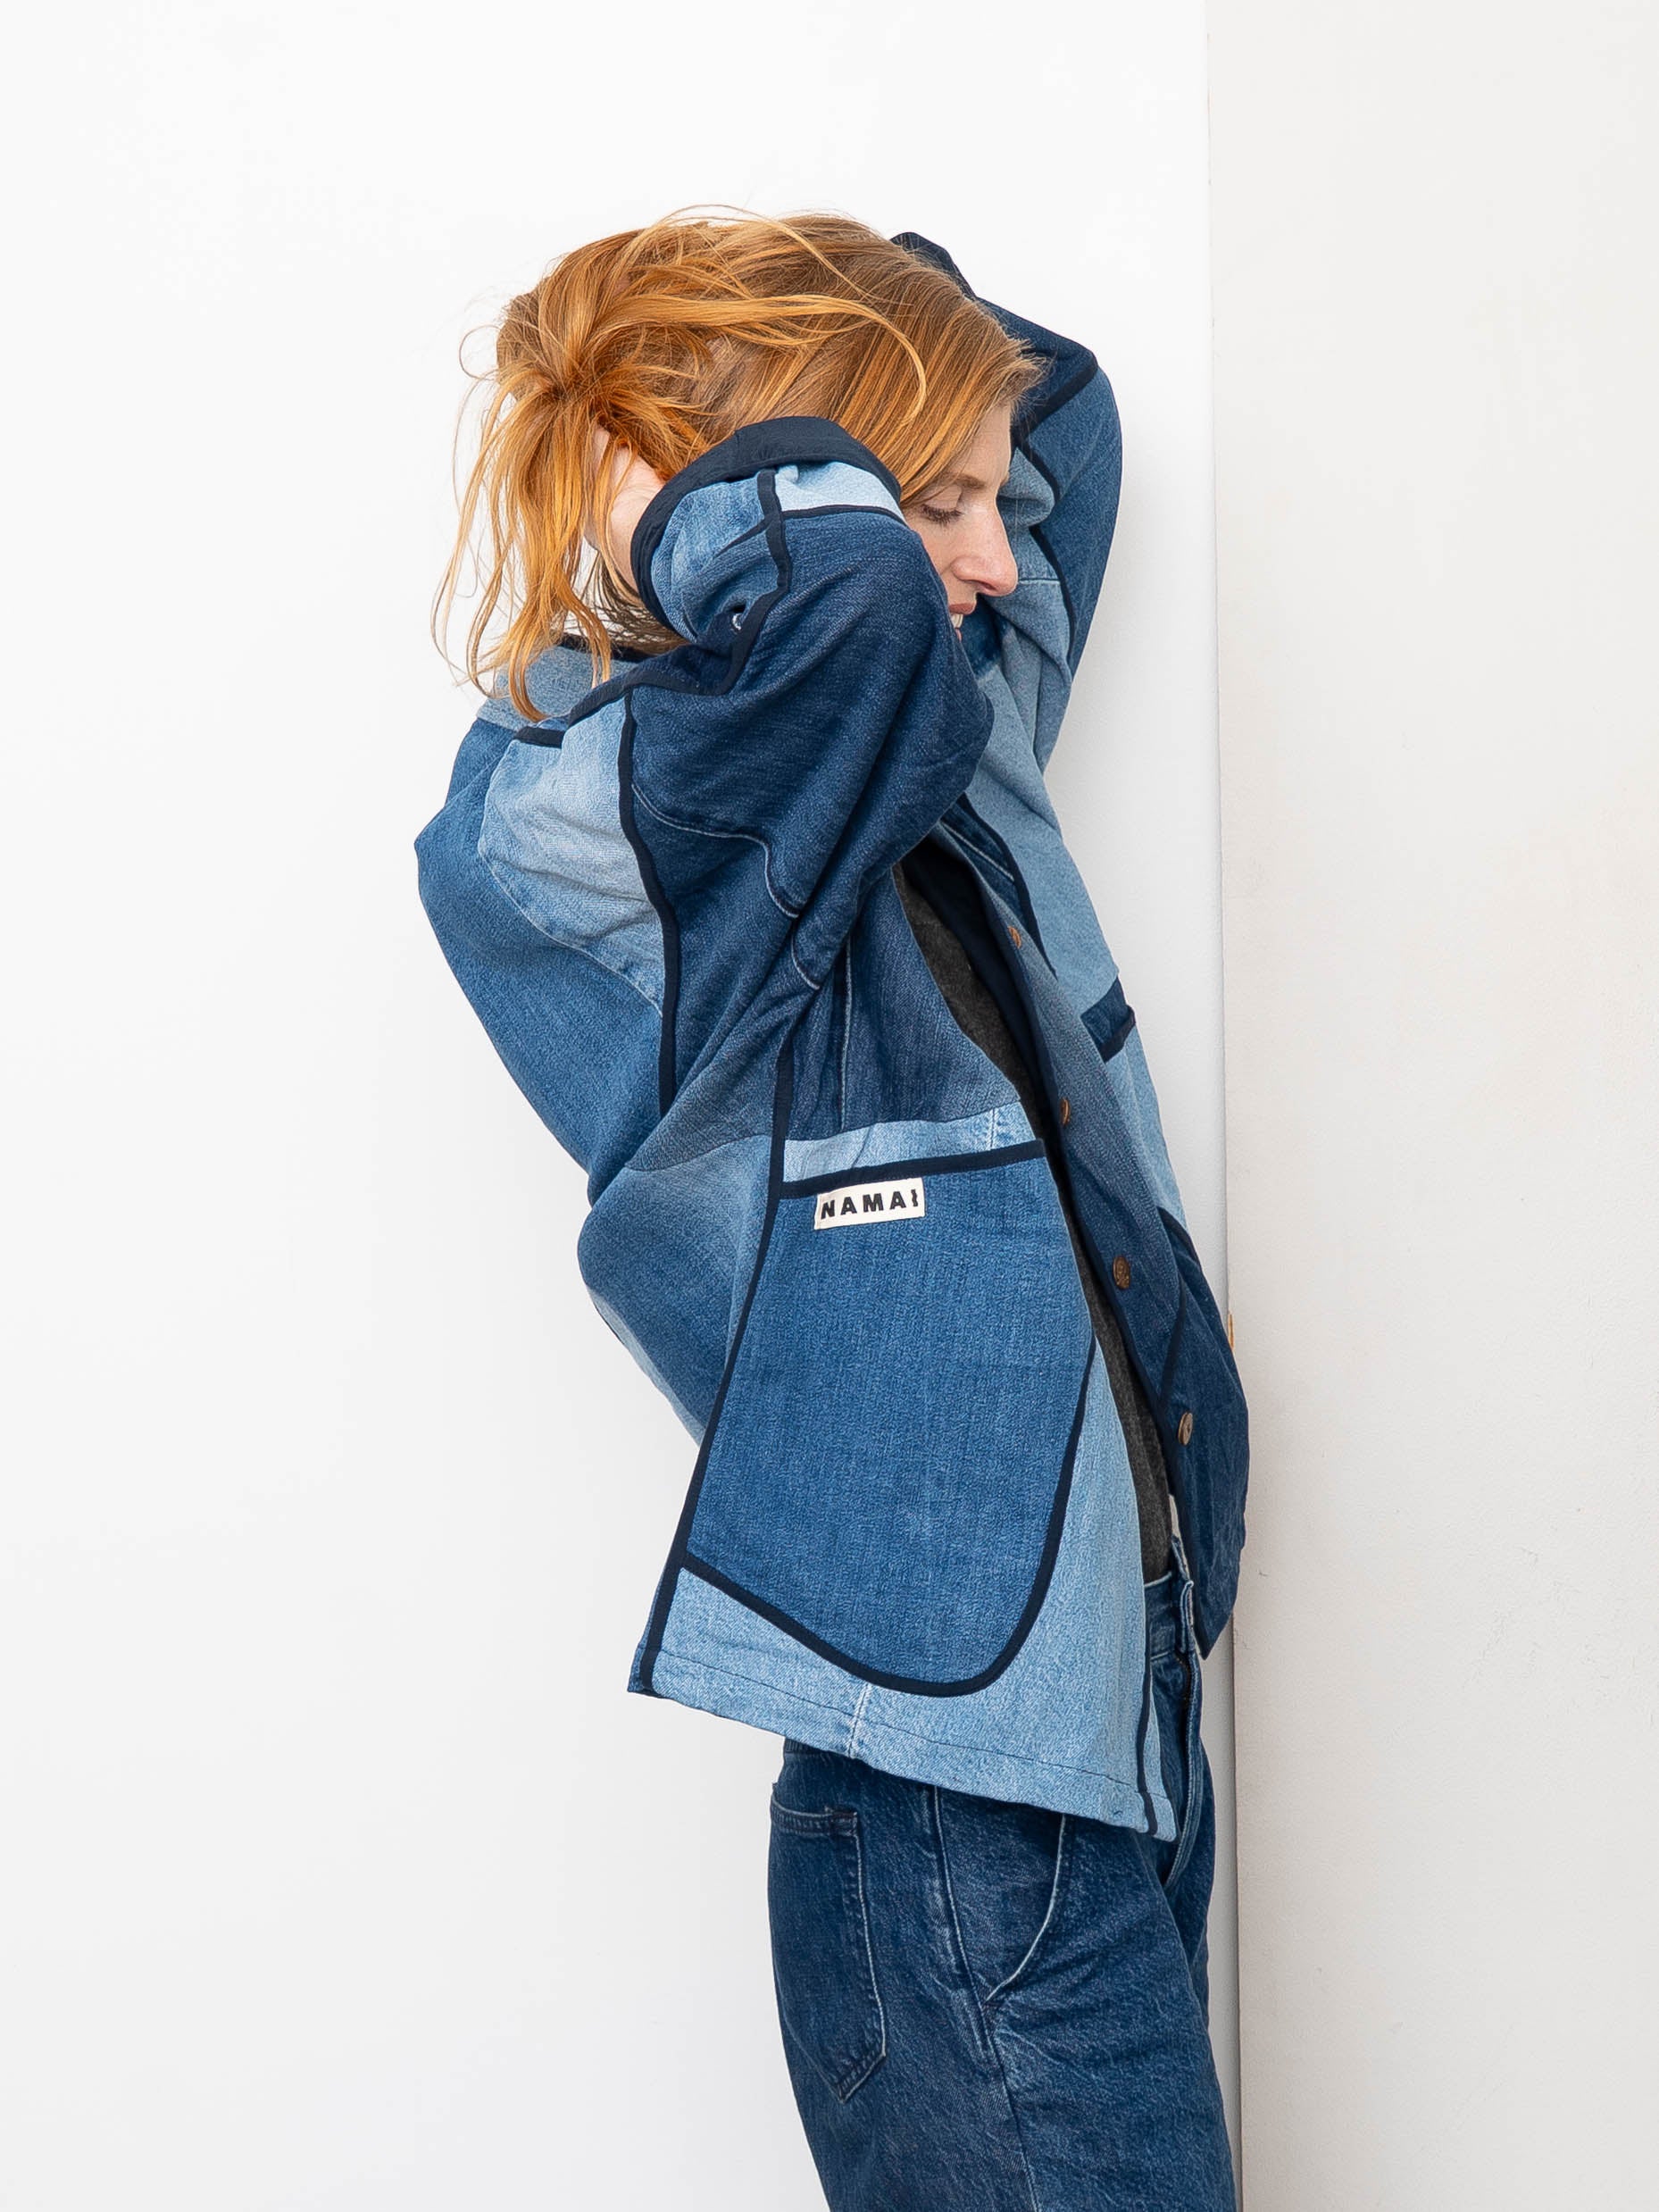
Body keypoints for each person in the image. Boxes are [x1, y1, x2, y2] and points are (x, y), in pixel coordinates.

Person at [418, 212, 1247, 2211]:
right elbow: (852, 599)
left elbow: (1070, 423)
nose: (990, 559)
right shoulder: (575, 824)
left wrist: (863, 320)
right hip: (959, 1809)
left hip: (1099, 1734)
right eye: (931, 501)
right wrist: (718, 463)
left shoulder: (936, 746)